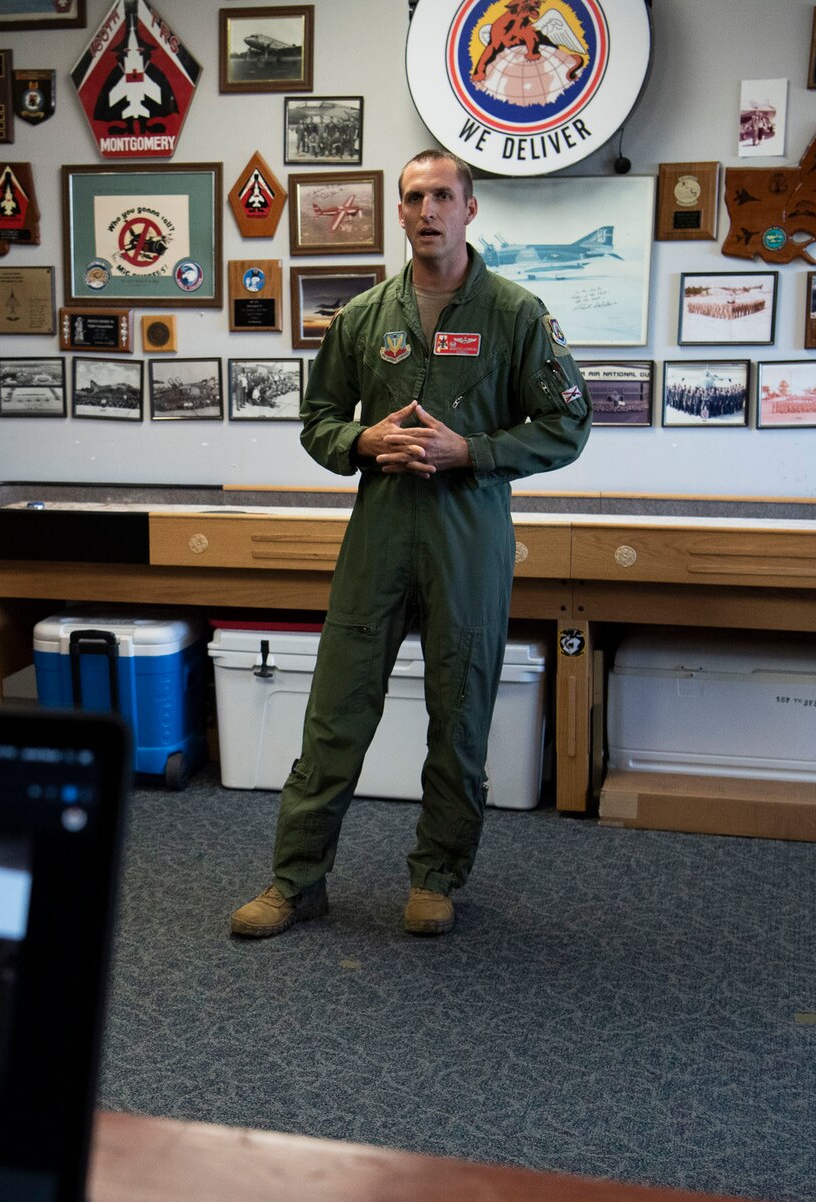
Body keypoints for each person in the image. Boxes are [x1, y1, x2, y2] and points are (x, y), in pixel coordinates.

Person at [229, 149, 591, 940]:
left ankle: (436, 875)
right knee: (334, 712)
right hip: (381, 533)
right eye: (413, 197)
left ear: (470, 208)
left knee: (459, 715)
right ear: (398, 213)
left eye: (442, 196)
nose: (428, 210)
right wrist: (361, 442)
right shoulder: (363, 319)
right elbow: (318, 420)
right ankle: (296, 880)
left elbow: (568, 423)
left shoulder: (517, 315)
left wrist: (476, 452)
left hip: (469, 532)